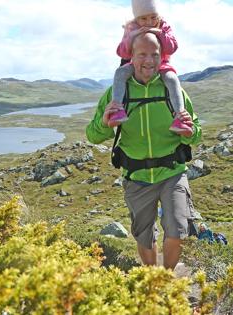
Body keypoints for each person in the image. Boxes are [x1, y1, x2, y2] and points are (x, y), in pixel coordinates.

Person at [86, 32, 202, 270]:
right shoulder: (118, 92)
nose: (149, 60)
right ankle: (151, 279)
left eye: (155, 54)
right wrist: (105, 124)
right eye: (142, 54)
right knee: (144, 236)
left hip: (172, 172)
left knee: (178, 229)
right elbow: (93, 134)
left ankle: (167, 279)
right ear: (131, 56)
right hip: (136, 177)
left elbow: (197, 131)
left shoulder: (174, 91)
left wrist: (190, 132)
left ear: (162, 56)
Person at [107, 0, 192, 137]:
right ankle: (117, 110)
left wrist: (158, 32)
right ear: (136, 18)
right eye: (144, 18)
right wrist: (133, 35)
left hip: (162, 64)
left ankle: (181, 119)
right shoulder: (131, 27)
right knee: (120, 72)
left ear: (158, 15)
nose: (149, 22)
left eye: (153, 17)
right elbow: (122, 53)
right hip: (136, 66)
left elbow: (172, 47)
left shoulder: (164, 26)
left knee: (172, 79)